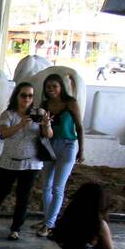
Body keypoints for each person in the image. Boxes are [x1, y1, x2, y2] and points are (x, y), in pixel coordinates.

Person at [0, 82, 51, 240]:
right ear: (16, 96)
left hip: (31, 163)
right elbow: (3, 133)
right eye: (23, 95)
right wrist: (21, 124)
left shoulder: (39, 113)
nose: (27, 99)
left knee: (23, 197)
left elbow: (48, 135)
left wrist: (46, 124)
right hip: (9, 161)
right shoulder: (8, 114)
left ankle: (16, 229)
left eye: (30, 96)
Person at [35, 73, 84, 237]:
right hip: (49, 145)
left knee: (58, 187)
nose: (51, 90)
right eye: (48, 87)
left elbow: (79, 126)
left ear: (61, 87)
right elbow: (41, 128)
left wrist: (81, 149)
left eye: (54, 86)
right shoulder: (44, 104)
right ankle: (48, 219)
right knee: (46, 186)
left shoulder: (71, 103)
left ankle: (49, 224)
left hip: (68, 145)